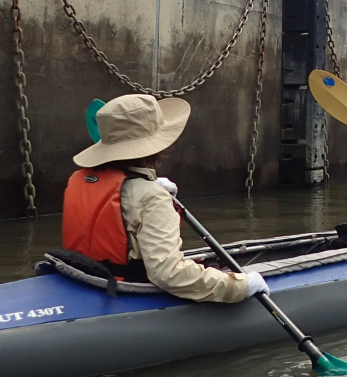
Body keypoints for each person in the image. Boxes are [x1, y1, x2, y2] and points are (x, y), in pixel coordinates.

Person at [62, 93, 268, 303]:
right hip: (125, 289)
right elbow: (169, 274)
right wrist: (241, 286)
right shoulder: (152, 197)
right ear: (160, 146)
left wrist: (146, 184)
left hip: (83, 278)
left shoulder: (82, 180)